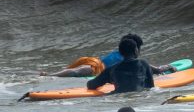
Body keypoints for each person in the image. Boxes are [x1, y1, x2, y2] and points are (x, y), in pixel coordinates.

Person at [42, 33, 176, 77]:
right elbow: (156, 69)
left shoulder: (119, 52)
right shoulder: (130, 59)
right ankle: (51, 75)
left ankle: (53, 74)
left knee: (70, 72)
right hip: (96, 67)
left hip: (90, 60)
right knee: (76, 72)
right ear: (135, 48)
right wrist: (169, 66)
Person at [87, 38, 155, 93]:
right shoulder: (144, 64)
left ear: (120, 52)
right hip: (140, 96)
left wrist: (109, 79)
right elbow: (151, 86)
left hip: (118, 98)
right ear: (135, 51)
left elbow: (91, 85)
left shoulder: (111, 69)